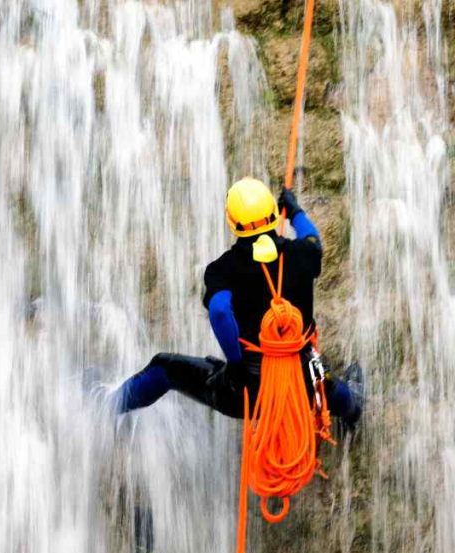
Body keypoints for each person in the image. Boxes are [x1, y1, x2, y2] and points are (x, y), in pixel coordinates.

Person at [114, 177, 363, 428]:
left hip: (246, 393)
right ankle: (352, 412)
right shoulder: (303, 253)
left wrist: (236, 366)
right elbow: (312, 239)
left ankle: (108, 405)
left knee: (163, 368)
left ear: (234, 224)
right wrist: (295, 211)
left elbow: (220, 311)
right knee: (324, 381)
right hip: (300, 384)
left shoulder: (222, 269)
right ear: (274, 214)